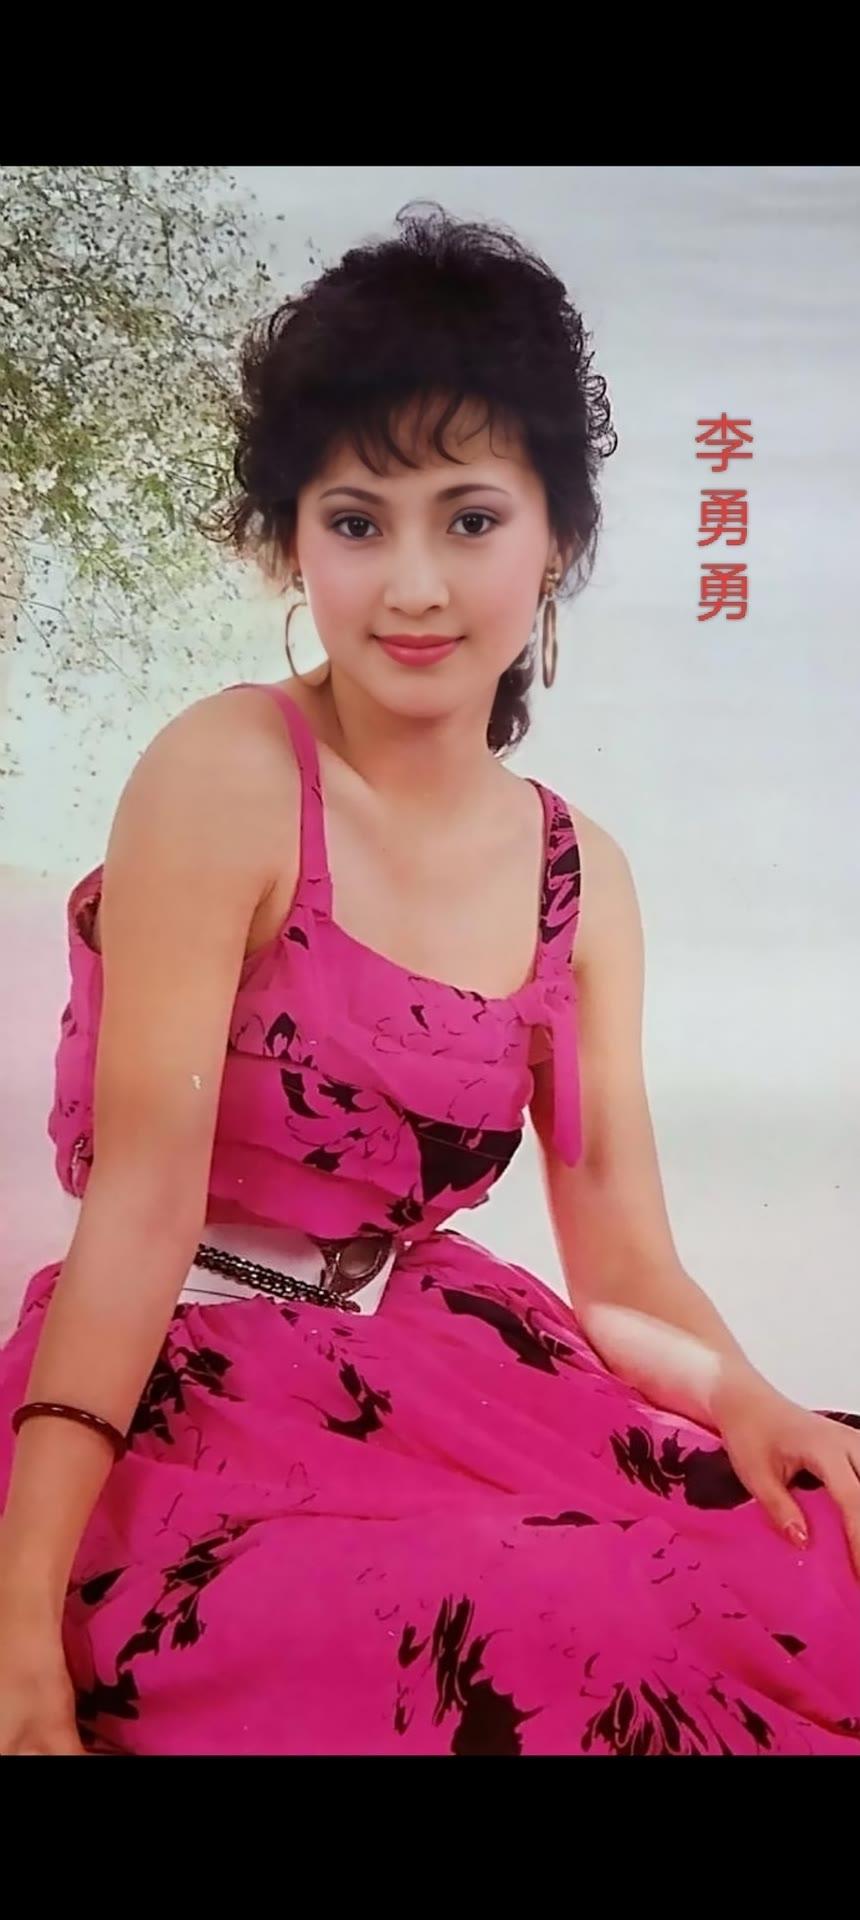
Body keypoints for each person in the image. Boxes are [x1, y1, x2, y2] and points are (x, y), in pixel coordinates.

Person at [1, 201, 858, 1759]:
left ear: (558, 540)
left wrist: (751, 1400)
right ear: (292, 538)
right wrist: (13, 1623)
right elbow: (140, 1212)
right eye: (356, 521)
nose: (412, 586)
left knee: (818, 1556)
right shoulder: (229, 774)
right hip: (189, 1399)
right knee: (540, 1630)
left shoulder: (580, 878)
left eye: (469, 520)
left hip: (443, 1367)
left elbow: (625, 1274)